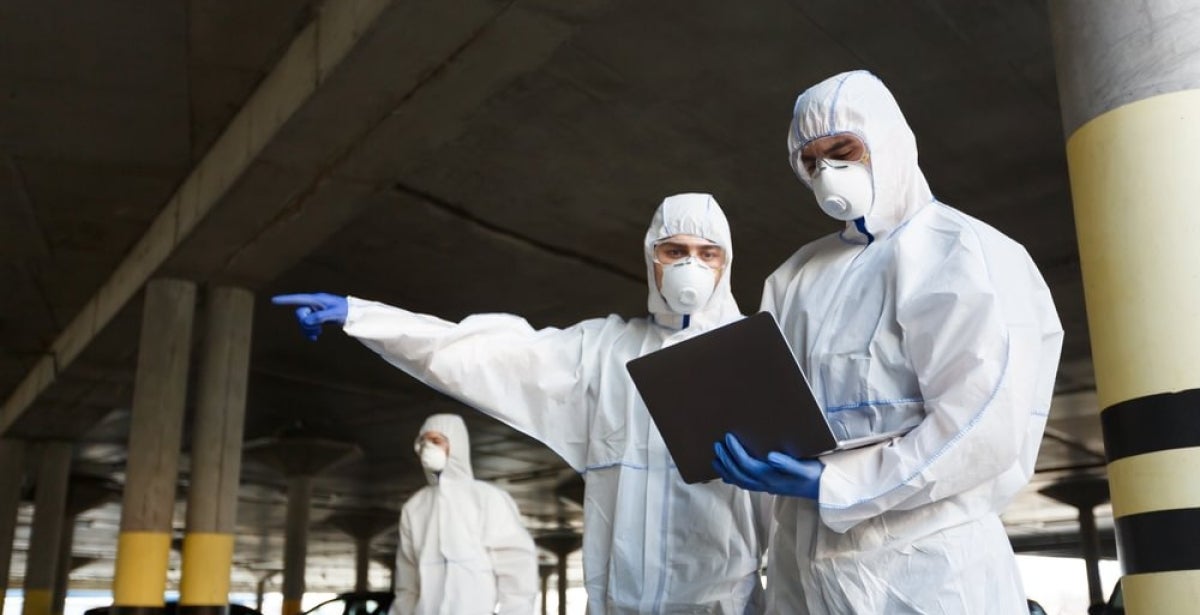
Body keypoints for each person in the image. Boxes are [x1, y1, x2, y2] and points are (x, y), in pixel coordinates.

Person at [274, 193, 769, 614]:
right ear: (650, 257)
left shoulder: (751, 358)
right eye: (674, 250)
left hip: (723, 600)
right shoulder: (600, 351)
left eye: (708, 254)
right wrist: (365, 317)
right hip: (622, 600)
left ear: (726, 263)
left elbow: (787, 504)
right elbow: (483, 351)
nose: (690, 266)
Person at [712, 70, 1064, 613]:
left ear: (887, 141)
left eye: (843, 149)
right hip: (805, 567)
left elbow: (979, 428)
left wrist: (835, 482)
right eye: (811, 161)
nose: (828, 171)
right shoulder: (795, 276)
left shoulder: (962, 252)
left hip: (928, 571)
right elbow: (771, 399)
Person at [393, 413, 537, 614]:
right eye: (423, 443)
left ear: (456, 444)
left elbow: (517, 569)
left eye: (436, 441)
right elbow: (407, 582)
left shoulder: (487, 498)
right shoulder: (415, 507)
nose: (428, 448)